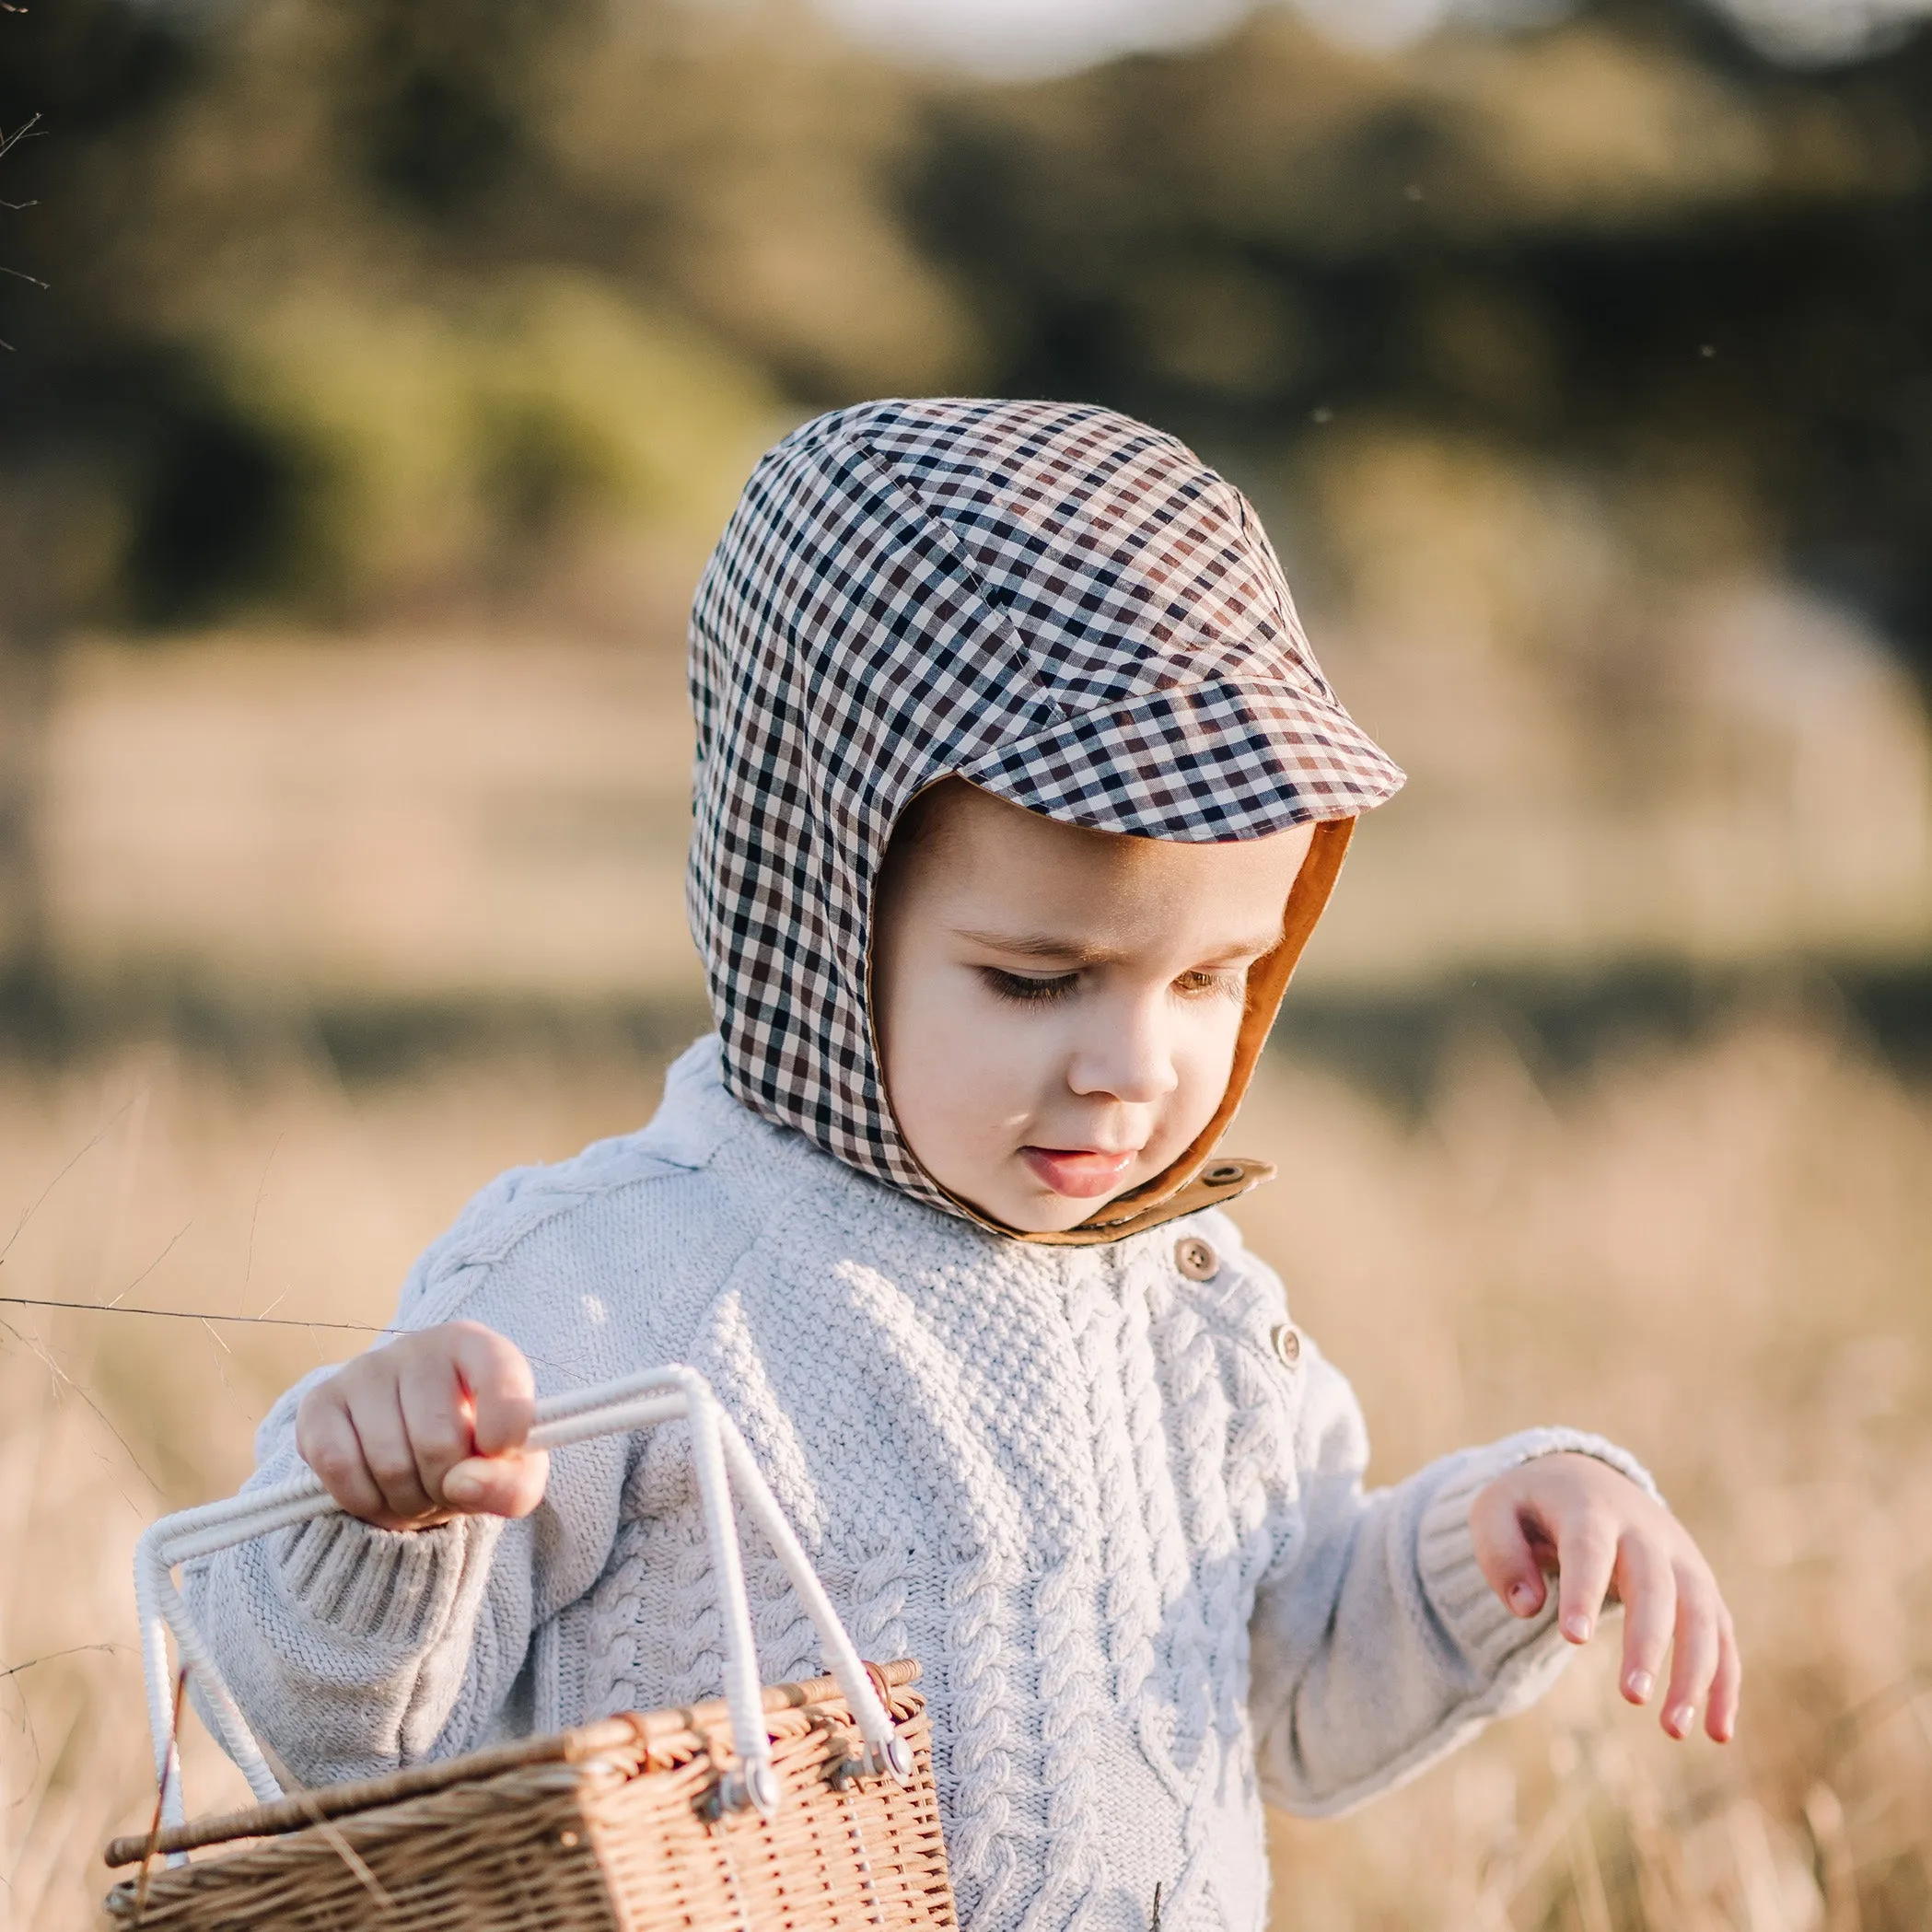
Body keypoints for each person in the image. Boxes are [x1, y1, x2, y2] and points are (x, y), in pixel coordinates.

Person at [190, 399, 1737, 1932]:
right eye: (1036, 977)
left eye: (1207, 980)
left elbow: (1290, 1700)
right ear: (811, 917)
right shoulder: (606, 1282)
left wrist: (1493, 1536)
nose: (1134, 1065)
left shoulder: (1189, 1307)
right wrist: (384, 1518)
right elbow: (338, 1754)